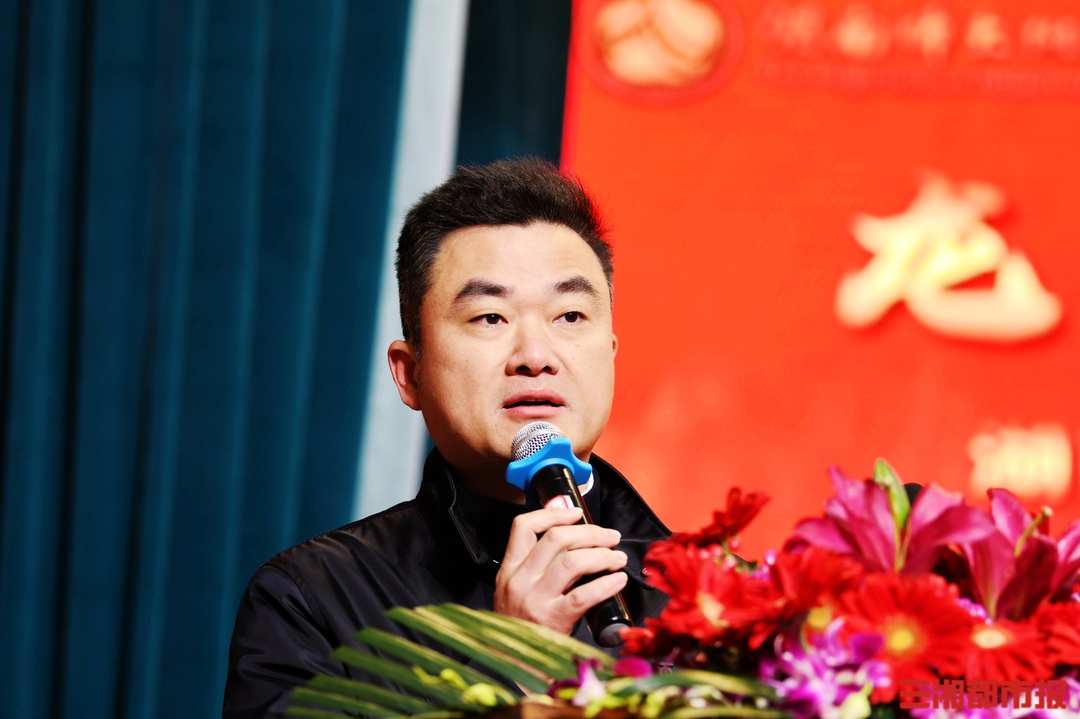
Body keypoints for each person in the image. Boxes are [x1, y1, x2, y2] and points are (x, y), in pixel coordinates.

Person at [223, 159, 670, 718]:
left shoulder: (715, 599)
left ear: (610, 354)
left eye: (571, 315)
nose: (536, 356)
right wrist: (510, 667)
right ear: (411, 374)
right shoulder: (309, 602)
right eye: (490, 317)